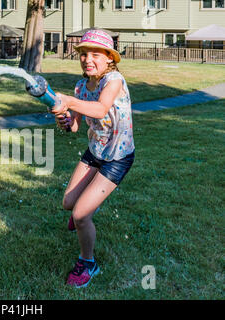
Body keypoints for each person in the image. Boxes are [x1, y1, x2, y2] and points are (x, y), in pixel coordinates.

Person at [51, 29, 135, 288]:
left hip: (117, 157)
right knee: (68, 204)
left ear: (110, 58)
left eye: (95, 54)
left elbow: (100, 108)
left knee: (80, 216)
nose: (88, 59)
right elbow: (74, 127)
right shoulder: (80, 86)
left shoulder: (114, 81)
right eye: (84, 54)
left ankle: (88, 264)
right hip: (95, 152)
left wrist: (68, 101)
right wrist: (64, 120)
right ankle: (83, 210)